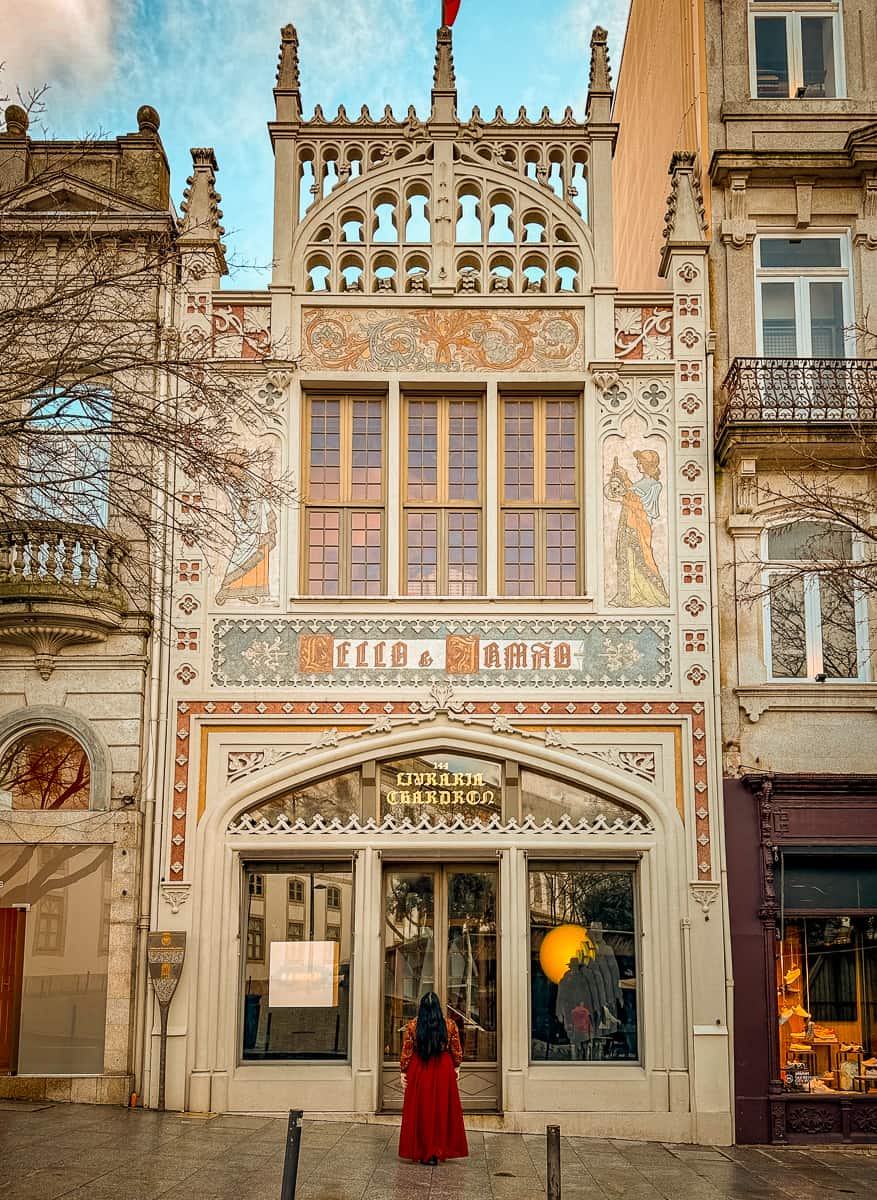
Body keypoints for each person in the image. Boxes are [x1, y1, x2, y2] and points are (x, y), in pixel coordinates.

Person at [398, 992, 468, 1165]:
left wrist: (403, 1071)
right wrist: (456, 1066)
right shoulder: (449, 1025)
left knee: (421, 1109)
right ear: (438, 1007)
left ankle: (423, 1151)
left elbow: (407, 1050)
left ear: (421, 1007)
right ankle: (437, 1150)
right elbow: (456, 1049)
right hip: (443, 1067)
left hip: (419, 1067)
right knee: (441, 1109)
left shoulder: (412, 1026)